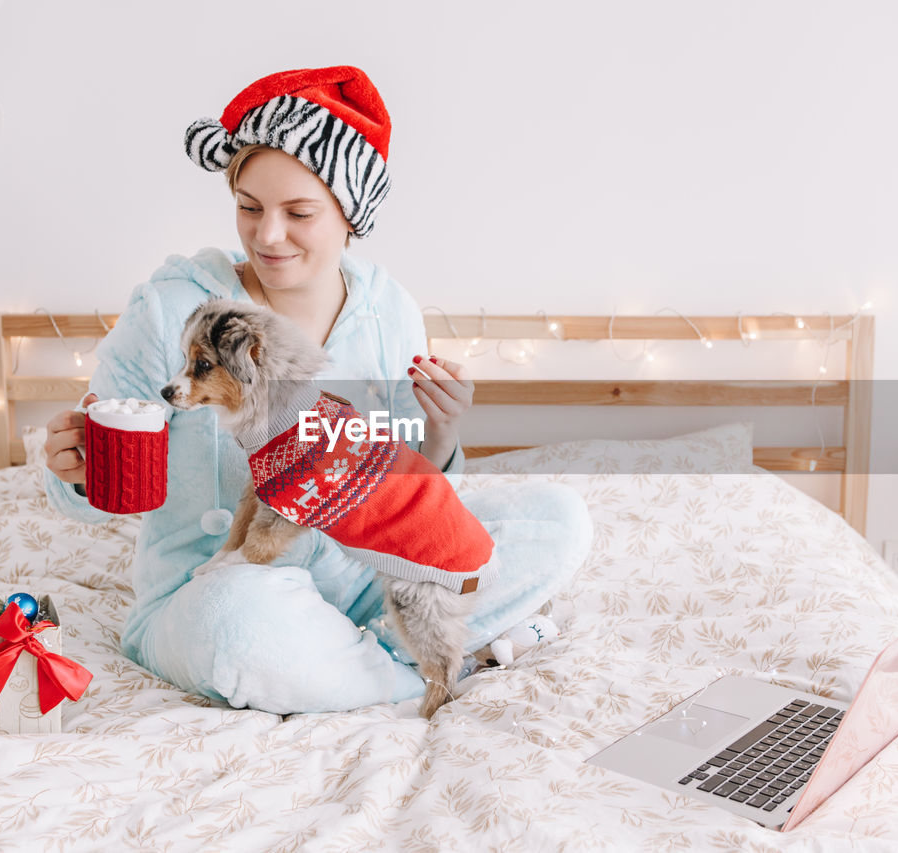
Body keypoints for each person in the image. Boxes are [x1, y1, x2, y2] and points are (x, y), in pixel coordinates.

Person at [42, 66, 593, 715]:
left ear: (349, 214)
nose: (267, 234)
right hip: (214, 588)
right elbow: (88, 498)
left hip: (364, 578)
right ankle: (412, 676)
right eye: (249, 207)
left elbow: (410, 493)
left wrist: (440, 437)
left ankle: (361, 655)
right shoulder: (171, 313)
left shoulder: (389, 314)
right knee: (241, 622)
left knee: (558, 518)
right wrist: (78, 471)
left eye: (298, 212)